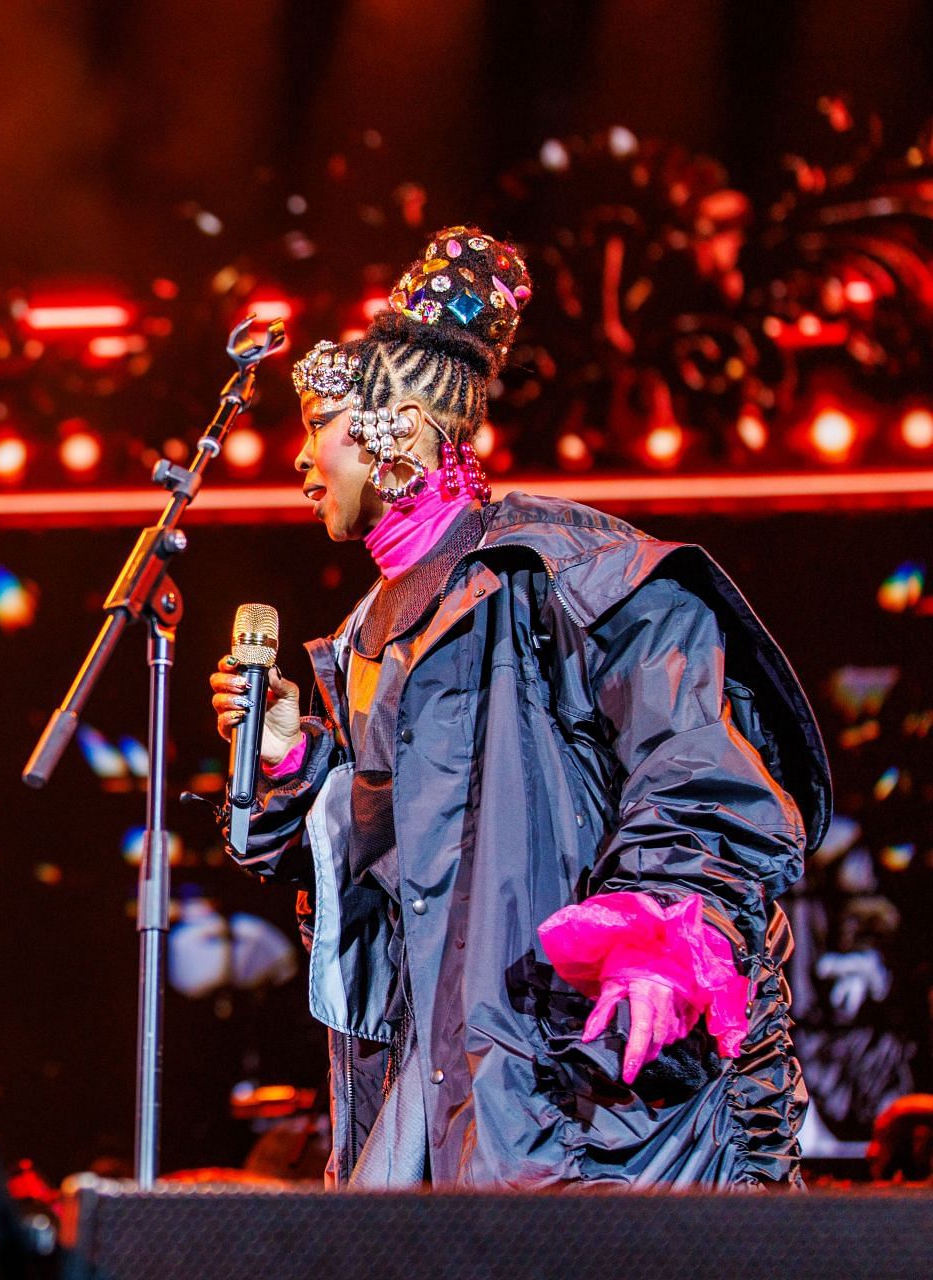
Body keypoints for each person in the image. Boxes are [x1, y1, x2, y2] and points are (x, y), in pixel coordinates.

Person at [207, 226, 830, 1187]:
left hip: (583, 1095)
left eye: (317, 429)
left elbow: (701, 768)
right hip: (439, 1082)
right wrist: (299, 773)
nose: (298, 460)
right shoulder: (363, 637)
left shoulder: (570, 573)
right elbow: (402, 867)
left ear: (396, 428)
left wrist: (656, 932)